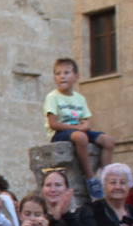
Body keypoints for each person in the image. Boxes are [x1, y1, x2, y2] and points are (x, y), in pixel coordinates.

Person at [44, 57, 114, 191]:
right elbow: (53, 123)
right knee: (81, 137)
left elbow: (86, 120)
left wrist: (85, 126)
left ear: (76, 76)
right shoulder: (53, 97)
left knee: (108, 140)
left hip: (77, 130)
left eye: (66, 73)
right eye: (58, 74)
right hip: (60, 133)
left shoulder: (80, 98)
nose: (62, 77)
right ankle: (90, 177)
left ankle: (107, 178)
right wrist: (77, 128)